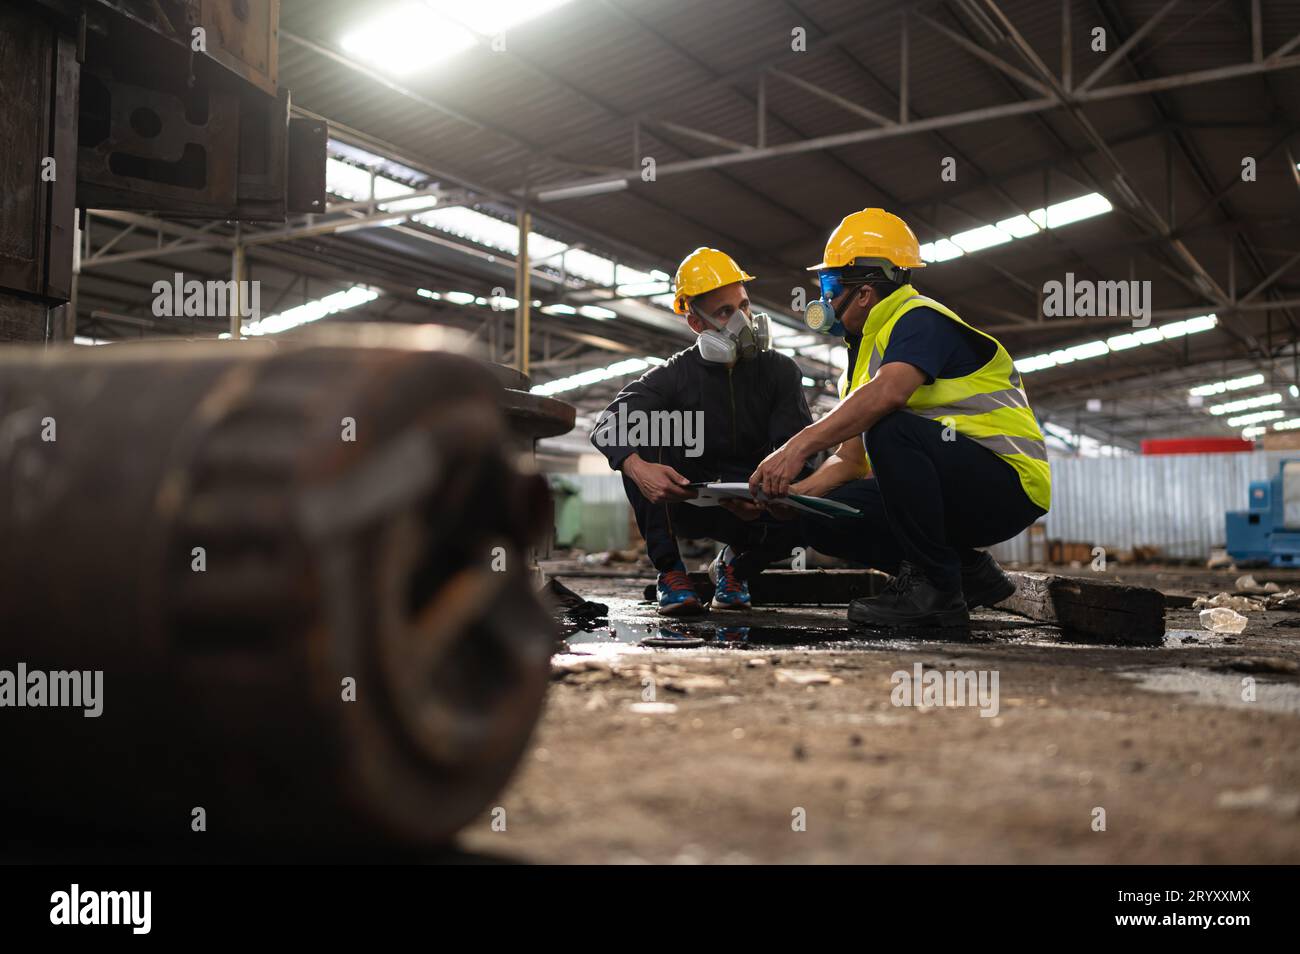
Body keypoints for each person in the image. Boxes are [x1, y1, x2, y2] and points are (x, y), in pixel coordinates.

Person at [748, 209, 1050, 629]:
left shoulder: (919, 319)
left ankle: (937, 592)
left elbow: (890, 395)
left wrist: (796, 447)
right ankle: (967, 574)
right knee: (822, 517)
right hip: (958, 485)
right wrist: (792, 495)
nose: (825, 300)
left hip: (1007, 484)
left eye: (831, 285)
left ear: (866, 293)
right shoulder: (862, 363)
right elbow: (851, 461)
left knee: (888, 425)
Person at [591, 248, 812, 615]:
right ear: (696, 323)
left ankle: (734, 569)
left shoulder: (780, 373)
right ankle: (671, 573)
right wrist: (637, 469)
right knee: (646, 434)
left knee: (811, 506)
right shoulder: (674, 375)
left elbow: (797, 449)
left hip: (752, 503)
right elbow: (608, 423)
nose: (743, 320)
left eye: (744, 305)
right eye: (726, 312)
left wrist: (773, 497)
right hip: (682, 499)